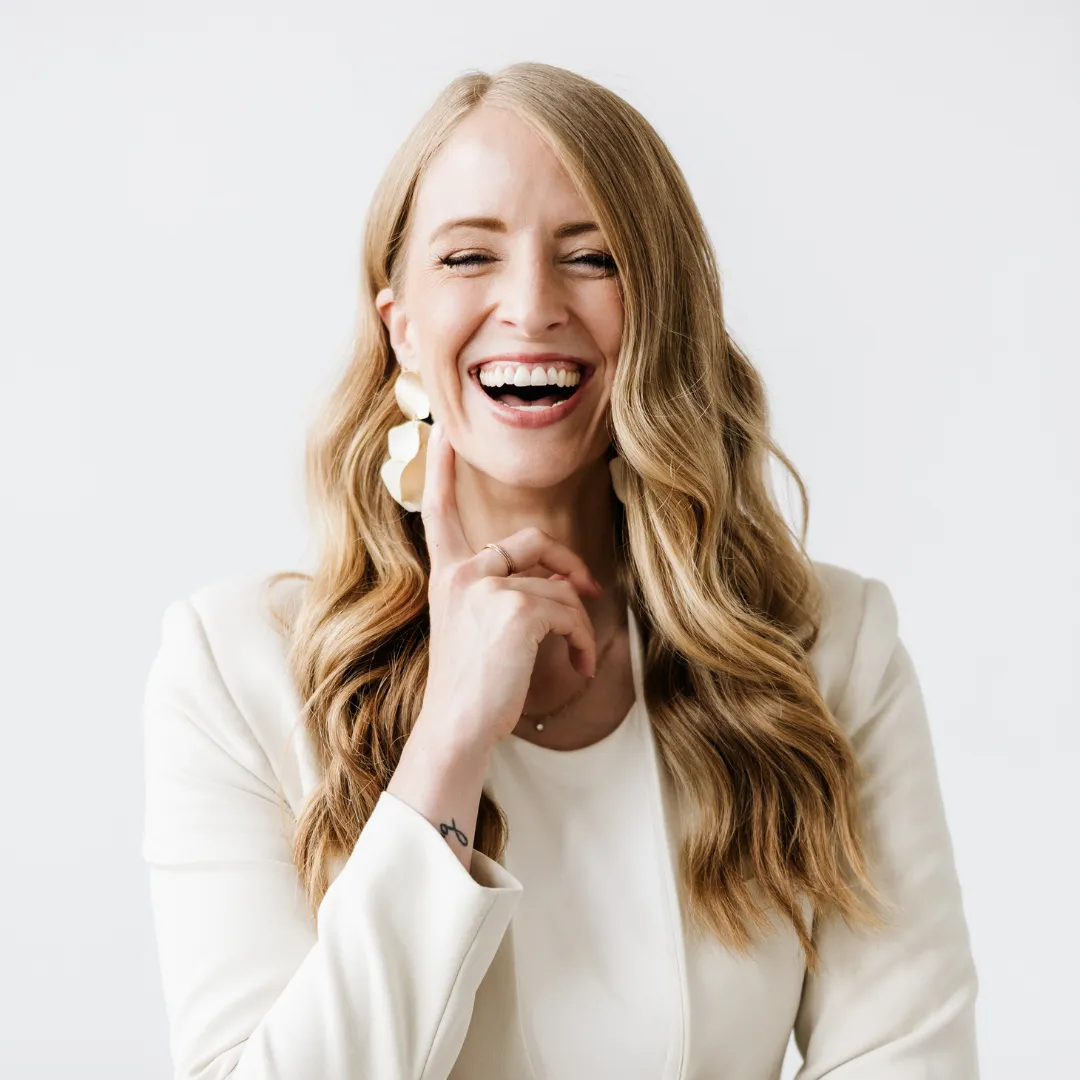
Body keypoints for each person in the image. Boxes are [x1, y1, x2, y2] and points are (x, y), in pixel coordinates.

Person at [141, 62, 980, 1080]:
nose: (532, 306)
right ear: (401, 325)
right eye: (469, 257)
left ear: (659, 311)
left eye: (591, 258)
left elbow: (908, 1059)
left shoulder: (830, 650)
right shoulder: (235, 671)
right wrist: (449, 737)